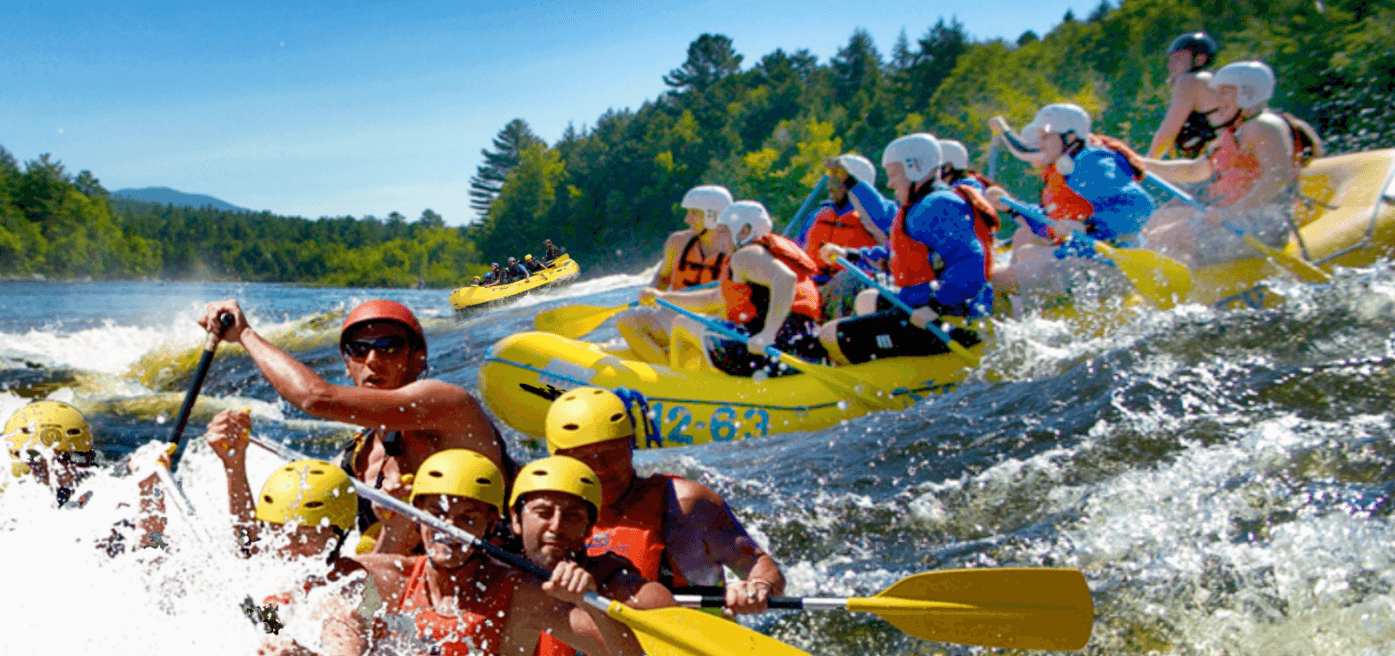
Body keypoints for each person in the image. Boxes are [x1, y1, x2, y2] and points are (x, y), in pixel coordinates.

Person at [197, 299, 511, 555]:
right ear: (347, 366)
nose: (373, 360)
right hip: (401, 602)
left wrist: (245, 334)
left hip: (492, 591)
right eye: (359, 350)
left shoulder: (447, 406)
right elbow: (256, 551)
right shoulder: (356, 460)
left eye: (389, 346)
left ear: (417, 360)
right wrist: (234, 466)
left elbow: (314, 398)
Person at [333, 449, 644, 656]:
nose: (448, 529)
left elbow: (627, 655)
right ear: (418, 516)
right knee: (342, 619)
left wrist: (589, 603)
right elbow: (289, 599)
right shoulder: (385, 576)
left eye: (467, 518)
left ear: (491, 523)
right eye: (437, 515)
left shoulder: (521, 595)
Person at [545, 387, 784, 616]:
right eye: (584, 459)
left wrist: (758, 586)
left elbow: (757, 564)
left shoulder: (686, 504)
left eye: (612, 454)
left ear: (631, 446)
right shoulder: (546, 517)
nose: (601, 469)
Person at [818, 133, 993, 365]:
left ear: (916, 168)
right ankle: (887, 364)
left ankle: (866, 379)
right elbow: (897, 256)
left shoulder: (937, 205)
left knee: (830, 334)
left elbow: (970, 261)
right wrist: (851, 255)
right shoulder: (921, 205)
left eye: (893, 175)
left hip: (947, 318)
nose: (889, 184)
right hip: (926, 304)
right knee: (867, 300)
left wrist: (937, 306)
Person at [1140, 61, 1316, 267]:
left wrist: (1231, 213)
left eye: (1224, 93)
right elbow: (1193, 170)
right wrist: (1139, 163)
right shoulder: (1236, 131)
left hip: (1262, 225)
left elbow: (1278, 178)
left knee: (1167, 238)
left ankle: (1183, 291)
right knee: (1155, 226)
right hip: (1237, 219)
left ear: (1247, 93)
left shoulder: (1263, 127)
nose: (1217, 101)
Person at [511, 455, 675, 656]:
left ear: (589, 527)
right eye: (543, 513)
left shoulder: (638, 596)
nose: (556, 526)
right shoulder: (490, 580)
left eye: (572, 516)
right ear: (516, 519)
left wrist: (591, 603)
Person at [642, 200, 825, 377]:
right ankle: (703, 381)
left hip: (775, 348)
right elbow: (714, 299)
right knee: (689, 320)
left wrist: (768, 334)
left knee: (682, 324)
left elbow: (786, 278)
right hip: (803, 344)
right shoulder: (763, 254)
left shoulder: (746, 255)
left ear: (744, 231)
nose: (718, 239)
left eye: (722, 232)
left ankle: (684, 389)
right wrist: (662, 297)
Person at [986, 104, 1155, 295]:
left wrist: (1088, 227)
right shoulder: (1071, 167)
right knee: (1023, 253)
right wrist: (1010, 207)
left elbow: (1139, 205)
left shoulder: (1090, 162)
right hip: (1082, 257)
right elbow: (1050, 224)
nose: (1040, 145)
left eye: (1046, 137)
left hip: (1104, 265)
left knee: (997, 279)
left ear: (1070, 136)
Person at [4, 400, 168, 552]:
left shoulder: (100, 494)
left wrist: (149, 490)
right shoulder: (10, 504)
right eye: (39, 466)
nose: (66, 469)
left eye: (75, 459)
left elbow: (148, 552)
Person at [616, 185, 733, 364]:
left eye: (694, 213)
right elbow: (663, 277)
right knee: (626, 321)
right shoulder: (677, 242)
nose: (687, 219)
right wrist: (652, 290)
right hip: (673, 314)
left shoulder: (735, 250)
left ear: (713, 216)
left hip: (712, 321)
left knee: (686, 325)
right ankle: (666, 371)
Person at [802, 154, 883, 283]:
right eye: (830, 180)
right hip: (812, 284)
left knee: (846, 280)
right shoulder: (817, 216)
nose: (830, 187)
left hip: (851, 288)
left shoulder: (873, 221)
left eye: (836, 181)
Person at [1148, 32, 1223, 159]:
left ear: (1200, 59)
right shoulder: (1211, 80)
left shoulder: (1190, 81)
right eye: (1171, 59)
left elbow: (1167, 134)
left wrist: (1146, 165)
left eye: (1178, 58)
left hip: (1218, 163)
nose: (1170, 65)